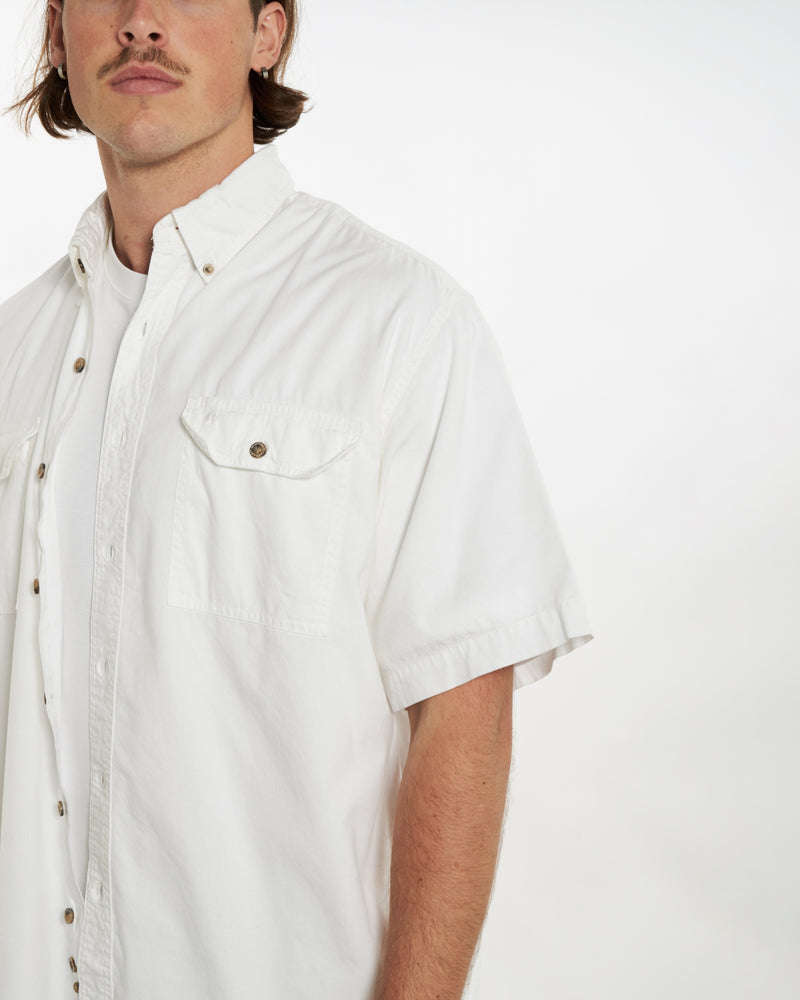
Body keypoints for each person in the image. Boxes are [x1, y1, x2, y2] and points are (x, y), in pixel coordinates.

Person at [0, 1, 592, 998]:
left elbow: (461, 712)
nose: (141, 22)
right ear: (59, 33)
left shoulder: (395, 321)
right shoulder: (13, 348)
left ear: (266, 33)